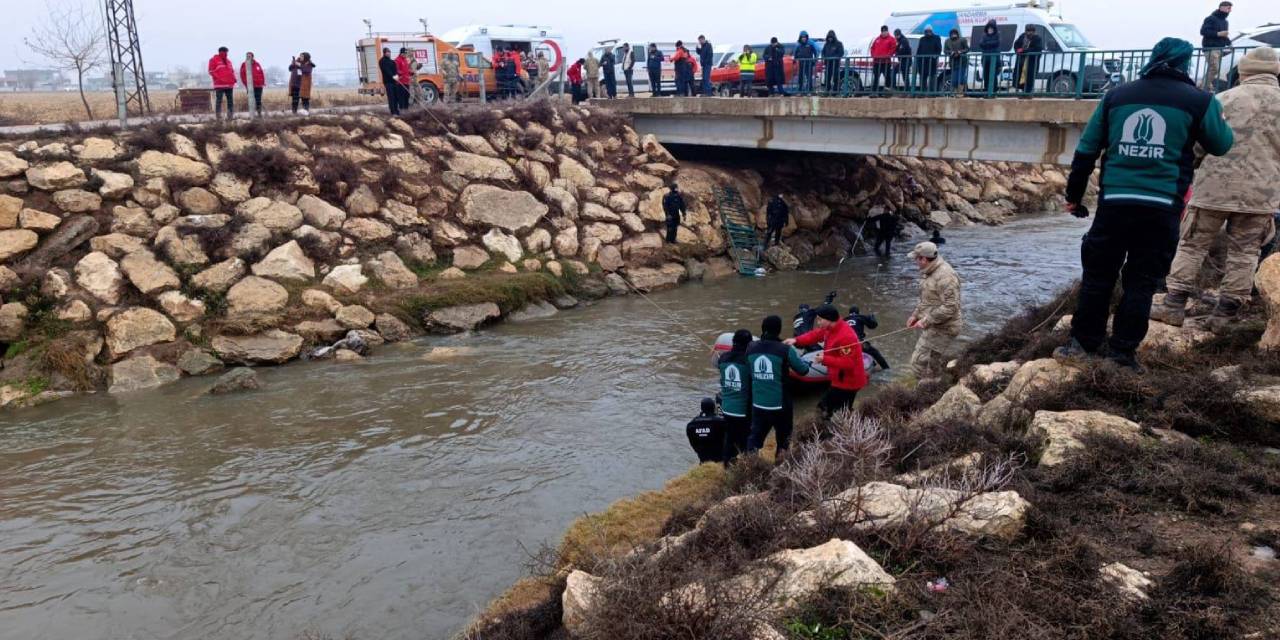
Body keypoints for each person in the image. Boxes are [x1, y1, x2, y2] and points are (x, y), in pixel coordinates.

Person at [1058, 38, 1234, 370]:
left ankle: (1082, 346)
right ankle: (1122, 355)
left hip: (1115, 204)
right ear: (1185, 63)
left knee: (1098, 275)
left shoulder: (1117, 96)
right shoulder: (1200, 101)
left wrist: (1074, 197)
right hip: (1162, 207)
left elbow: (1086, 152)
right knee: (1141, 280)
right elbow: (1222, 144)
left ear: (1153, 57)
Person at [1150, 46, 1280, 328]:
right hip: (1261, 193)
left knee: (1192, 245)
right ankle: (1225, 314)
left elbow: (1197, 145)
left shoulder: (1222, 99)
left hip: (1213, 189)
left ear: (1243, 72)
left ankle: (1173, 304)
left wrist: (1191, 167)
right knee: (1245, 252)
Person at [746, 315, 811, 458]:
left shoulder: (750, 348)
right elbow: (803, 370)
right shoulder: (785, 350)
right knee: (783, 441)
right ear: (779, 330)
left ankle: (749, 468)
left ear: (763, 328)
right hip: (781, 405)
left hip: (758, 404)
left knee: (754, 439)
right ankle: (781, 469)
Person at [790, 305, 866, 417]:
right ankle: (841, 425)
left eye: (820, 319)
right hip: (839, 379)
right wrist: (796, 340)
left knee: (828, 410)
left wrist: (824, 359)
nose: (818, 322)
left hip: (849, 381)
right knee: (830, 409)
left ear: (830, 319)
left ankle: (844, 429)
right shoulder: (829, 328)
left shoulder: (846, 337)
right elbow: (815, 335)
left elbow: (848, 363)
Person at [907, 242, 963, 385]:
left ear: (924, 259)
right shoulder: (930, 271)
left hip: (945, 327)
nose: (915, 262)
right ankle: (935, 388)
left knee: (918, 363)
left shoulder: (945, 276)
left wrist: (926, 320)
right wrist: (915, 315)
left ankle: (926, 392)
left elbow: (951, 307)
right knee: (931, 363)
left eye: (916, 258)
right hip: (935, 324)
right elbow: (927, 300)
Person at [718, 329, 754, 464]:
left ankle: (727, 464)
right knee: (746, 439)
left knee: (729, 439)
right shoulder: (748, 361)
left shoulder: (723, 358)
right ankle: (749, 466)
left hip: (726, 407)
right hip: (743, 409)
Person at [1200, 1, 1233, 92]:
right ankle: (1202, 88)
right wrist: (1218, 34)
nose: (1230, 10)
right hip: (1210, 48)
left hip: (1220, 49)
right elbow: (1203, 31)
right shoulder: (1210, 18)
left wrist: (1230, 44)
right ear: (1221, 7)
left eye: (1230, 8)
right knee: (1214, 68)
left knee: (1213, 69)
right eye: (1228, 8)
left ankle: (1205, 86)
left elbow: (1224, 35)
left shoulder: (1225, 22)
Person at [847, 305, 891, 370]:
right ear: (858, 312)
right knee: (875, 353)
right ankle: (886, 369)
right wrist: (872, 317)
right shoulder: (860, 317)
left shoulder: (844, 320)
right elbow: (873, 325)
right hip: (859, 343)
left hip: (844, 346)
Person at [686, 398, 726, 464]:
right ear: (713, 408)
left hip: (703, 458)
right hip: (720, 458)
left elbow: (693, 443)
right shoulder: (720, 422)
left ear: (702, 408)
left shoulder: (691, 425)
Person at [1013, 25, 1044, 95]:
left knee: (1029, 78)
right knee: (1020, 77)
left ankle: (1028, 93)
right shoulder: (1022, 36)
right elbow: (1016, 44)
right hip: (1021, 61)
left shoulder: (1037, 38)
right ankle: (1022, 92)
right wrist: (1017, 50)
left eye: (1031, 31)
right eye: (1028, 31)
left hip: (1031, 62)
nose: (1029, 33)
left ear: (1034, 31)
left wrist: (1024, 50)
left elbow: (1037, 49)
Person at [208, 46, 236, 119]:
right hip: (219, 84)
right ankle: (218, 116)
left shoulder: (228, 61)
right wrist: (219, 78)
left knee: (230, 101)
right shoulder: (213, 60)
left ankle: (230, 116)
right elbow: (211, 71)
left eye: (227, 52)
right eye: (225, 52)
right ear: (221, 52)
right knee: (219, 100)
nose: (226, 53)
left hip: (229, 84)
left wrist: (234, 79)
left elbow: (231, 71)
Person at [914, 27, 942, 94]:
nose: (928, 32)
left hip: (932, 62)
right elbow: (919, 50)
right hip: (922, 62)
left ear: (932, 31)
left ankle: (932, 93)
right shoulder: (922, 39)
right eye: (926, 31)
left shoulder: (936, 38)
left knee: (932, 78)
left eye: (929, 31)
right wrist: (918, 59)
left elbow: (939, 49)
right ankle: (922, 93)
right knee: (923, 78)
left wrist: (935, 57)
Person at [871, 26, 898, 95]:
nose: (884, 33)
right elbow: (872, 48)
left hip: (886, 62)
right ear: (881, 32)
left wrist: (888, 55)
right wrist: (874, 55)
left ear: (887, 31)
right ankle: (874, 92)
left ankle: (887, 92)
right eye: (883, 31)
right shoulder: (877, 39)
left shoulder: (891, 39)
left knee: (887, 77)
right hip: (877, 62)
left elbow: (893, 48)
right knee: (876, 77)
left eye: (885, 31)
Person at [979, 20, 1003, 96]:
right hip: (985, 59)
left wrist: (987, 44)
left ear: (994, 29)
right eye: (989, 28)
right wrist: (989, 44)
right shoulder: (984, 35)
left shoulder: (997, 35)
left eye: (991, 28)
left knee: (993, 76)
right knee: (986, 76)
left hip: (994, 60)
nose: (990, 30)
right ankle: (986, 91)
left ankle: (993, 92)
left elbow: (996, 44)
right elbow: (981, 44)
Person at [946, 29, 970, 96]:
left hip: (962, 61)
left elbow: (967, 49)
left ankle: (960, 92)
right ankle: (955, 92)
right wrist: (951, 52)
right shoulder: (947, 41)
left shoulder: (962, 40)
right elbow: (945, 50)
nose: (954, 35)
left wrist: (960, 52)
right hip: (953, 62)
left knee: (961, 78)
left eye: (955, 33)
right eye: (952, 33)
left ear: (957, 34)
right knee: (954, 79)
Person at [822, 30, 845, 95]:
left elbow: (841, 53)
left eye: (831, 37)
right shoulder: (826, 44)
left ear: (834, 37)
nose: (830, 38)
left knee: (836, 78)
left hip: (835, 64)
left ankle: (835, 91)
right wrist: (824, 57)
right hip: (827, 64)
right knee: (827, 78)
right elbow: (823, 52)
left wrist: (834, 58)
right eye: (829, 37)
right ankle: (827, 91)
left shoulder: (839, 44)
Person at [379, 48, 400, 115]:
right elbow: (386, 70)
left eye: (389, 52)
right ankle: (393, 112)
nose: (389, 53)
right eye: (387, 52)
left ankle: (397, 111)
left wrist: (396, 75)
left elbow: (395, 69)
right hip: (388, 82)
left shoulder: (392, 61)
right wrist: (392, 76)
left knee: (396, 97)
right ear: (384, 53)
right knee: (391, 97)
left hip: (394, 82)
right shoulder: (382, 61)